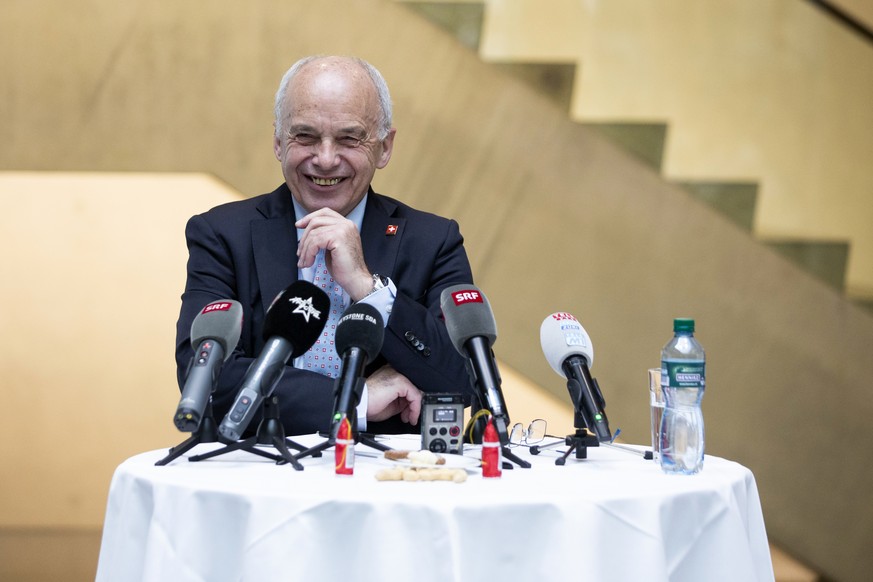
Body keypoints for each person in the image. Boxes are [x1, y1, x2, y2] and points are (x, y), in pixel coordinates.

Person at [175, 55, 475, 436]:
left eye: (350, 138)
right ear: (278, 142)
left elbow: (462, 381)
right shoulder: (221, 234)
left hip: (385, 481)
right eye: (306, 136)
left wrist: (369, 290)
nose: (326, 159)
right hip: (258, 473)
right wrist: (356, 398)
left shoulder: (434, 241)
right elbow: (204, 380)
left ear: (384, 147)